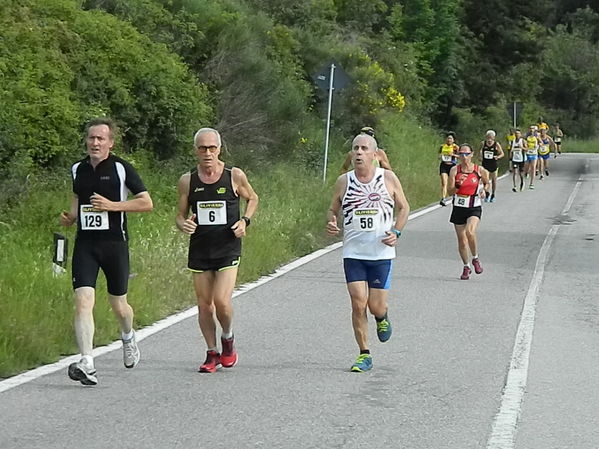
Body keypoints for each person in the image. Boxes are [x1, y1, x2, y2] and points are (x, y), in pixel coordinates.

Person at [60, 118, 153, 386]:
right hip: (86, 245)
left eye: (101, 138)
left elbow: (146, 203)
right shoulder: (77, 168)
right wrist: (72, 217)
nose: (95, 143)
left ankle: (128, 336)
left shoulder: (122, 169)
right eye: (91, 138)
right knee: (83, 301)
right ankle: (87, 362)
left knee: (119, 305)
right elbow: (77, 199)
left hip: (115, 244)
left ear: (111, 143)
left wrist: (113, 206)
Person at [176, 128, 258, 373]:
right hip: (200, 248)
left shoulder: (234, 175)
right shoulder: (187, 180)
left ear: (219, 149)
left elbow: (252, 198)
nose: (208, 153)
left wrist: (245, 221)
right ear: (195, 151)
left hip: (227, 247)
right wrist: (184, 224)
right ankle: (212, 353)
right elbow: (179, 216)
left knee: (221, 301)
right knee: (204, 306)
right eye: (202, 148)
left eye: (212, 148)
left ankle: (228, 338)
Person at [326, 133, 410, 373]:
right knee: (357, 303)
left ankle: (382, 318)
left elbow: (404, 208)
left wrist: (397, 231)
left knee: (376, 306)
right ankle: (364, 354)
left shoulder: (388, 178)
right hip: (353, 252)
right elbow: (333, 209)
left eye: (364, 149)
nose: (359, 153)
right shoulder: (344, 181)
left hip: (381, 253)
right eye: (355, 149)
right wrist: (332, 221)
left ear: (375, 155)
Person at [447, 144, 490, 280]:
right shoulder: (455, 170)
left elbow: (487, 182)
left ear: (472, 154)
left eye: (466, 154)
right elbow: (449, 191)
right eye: (461, 154)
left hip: (474, 206)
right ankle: (466, 266)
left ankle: (475, 258)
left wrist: (484, 190)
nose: (464, 157)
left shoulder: (479, 170)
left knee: (470, 232)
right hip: (459, 207)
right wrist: (458, 185)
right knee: (461, 241)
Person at [477, 130, 504, 202]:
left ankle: (493, 194)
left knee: (494, 181)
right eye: (488, 137)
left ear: (493, 138)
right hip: (485, 164)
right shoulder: (483, 143)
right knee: (485, 180)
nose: (489, 139)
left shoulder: (496, 144)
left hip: (493, 164)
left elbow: (502, 153)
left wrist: (497, 157)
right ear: (486, 137)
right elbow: (479, 151)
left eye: (491, 137)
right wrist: (480, 157)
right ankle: (487, 193)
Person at [438, 132, 459, 206]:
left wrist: (453, 155)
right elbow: (439, 155)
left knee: (452, 183)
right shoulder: (442, 146)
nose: (449, 140)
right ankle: (443, 198)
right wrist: (440, 156)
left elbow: (460, 156)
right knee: (444, 182)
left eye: (450, 138)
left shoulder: (455, 147)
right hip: (443, 165)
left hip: (452, 166)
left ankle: (454, 196)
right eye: (448, 138)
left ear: (453, 140)